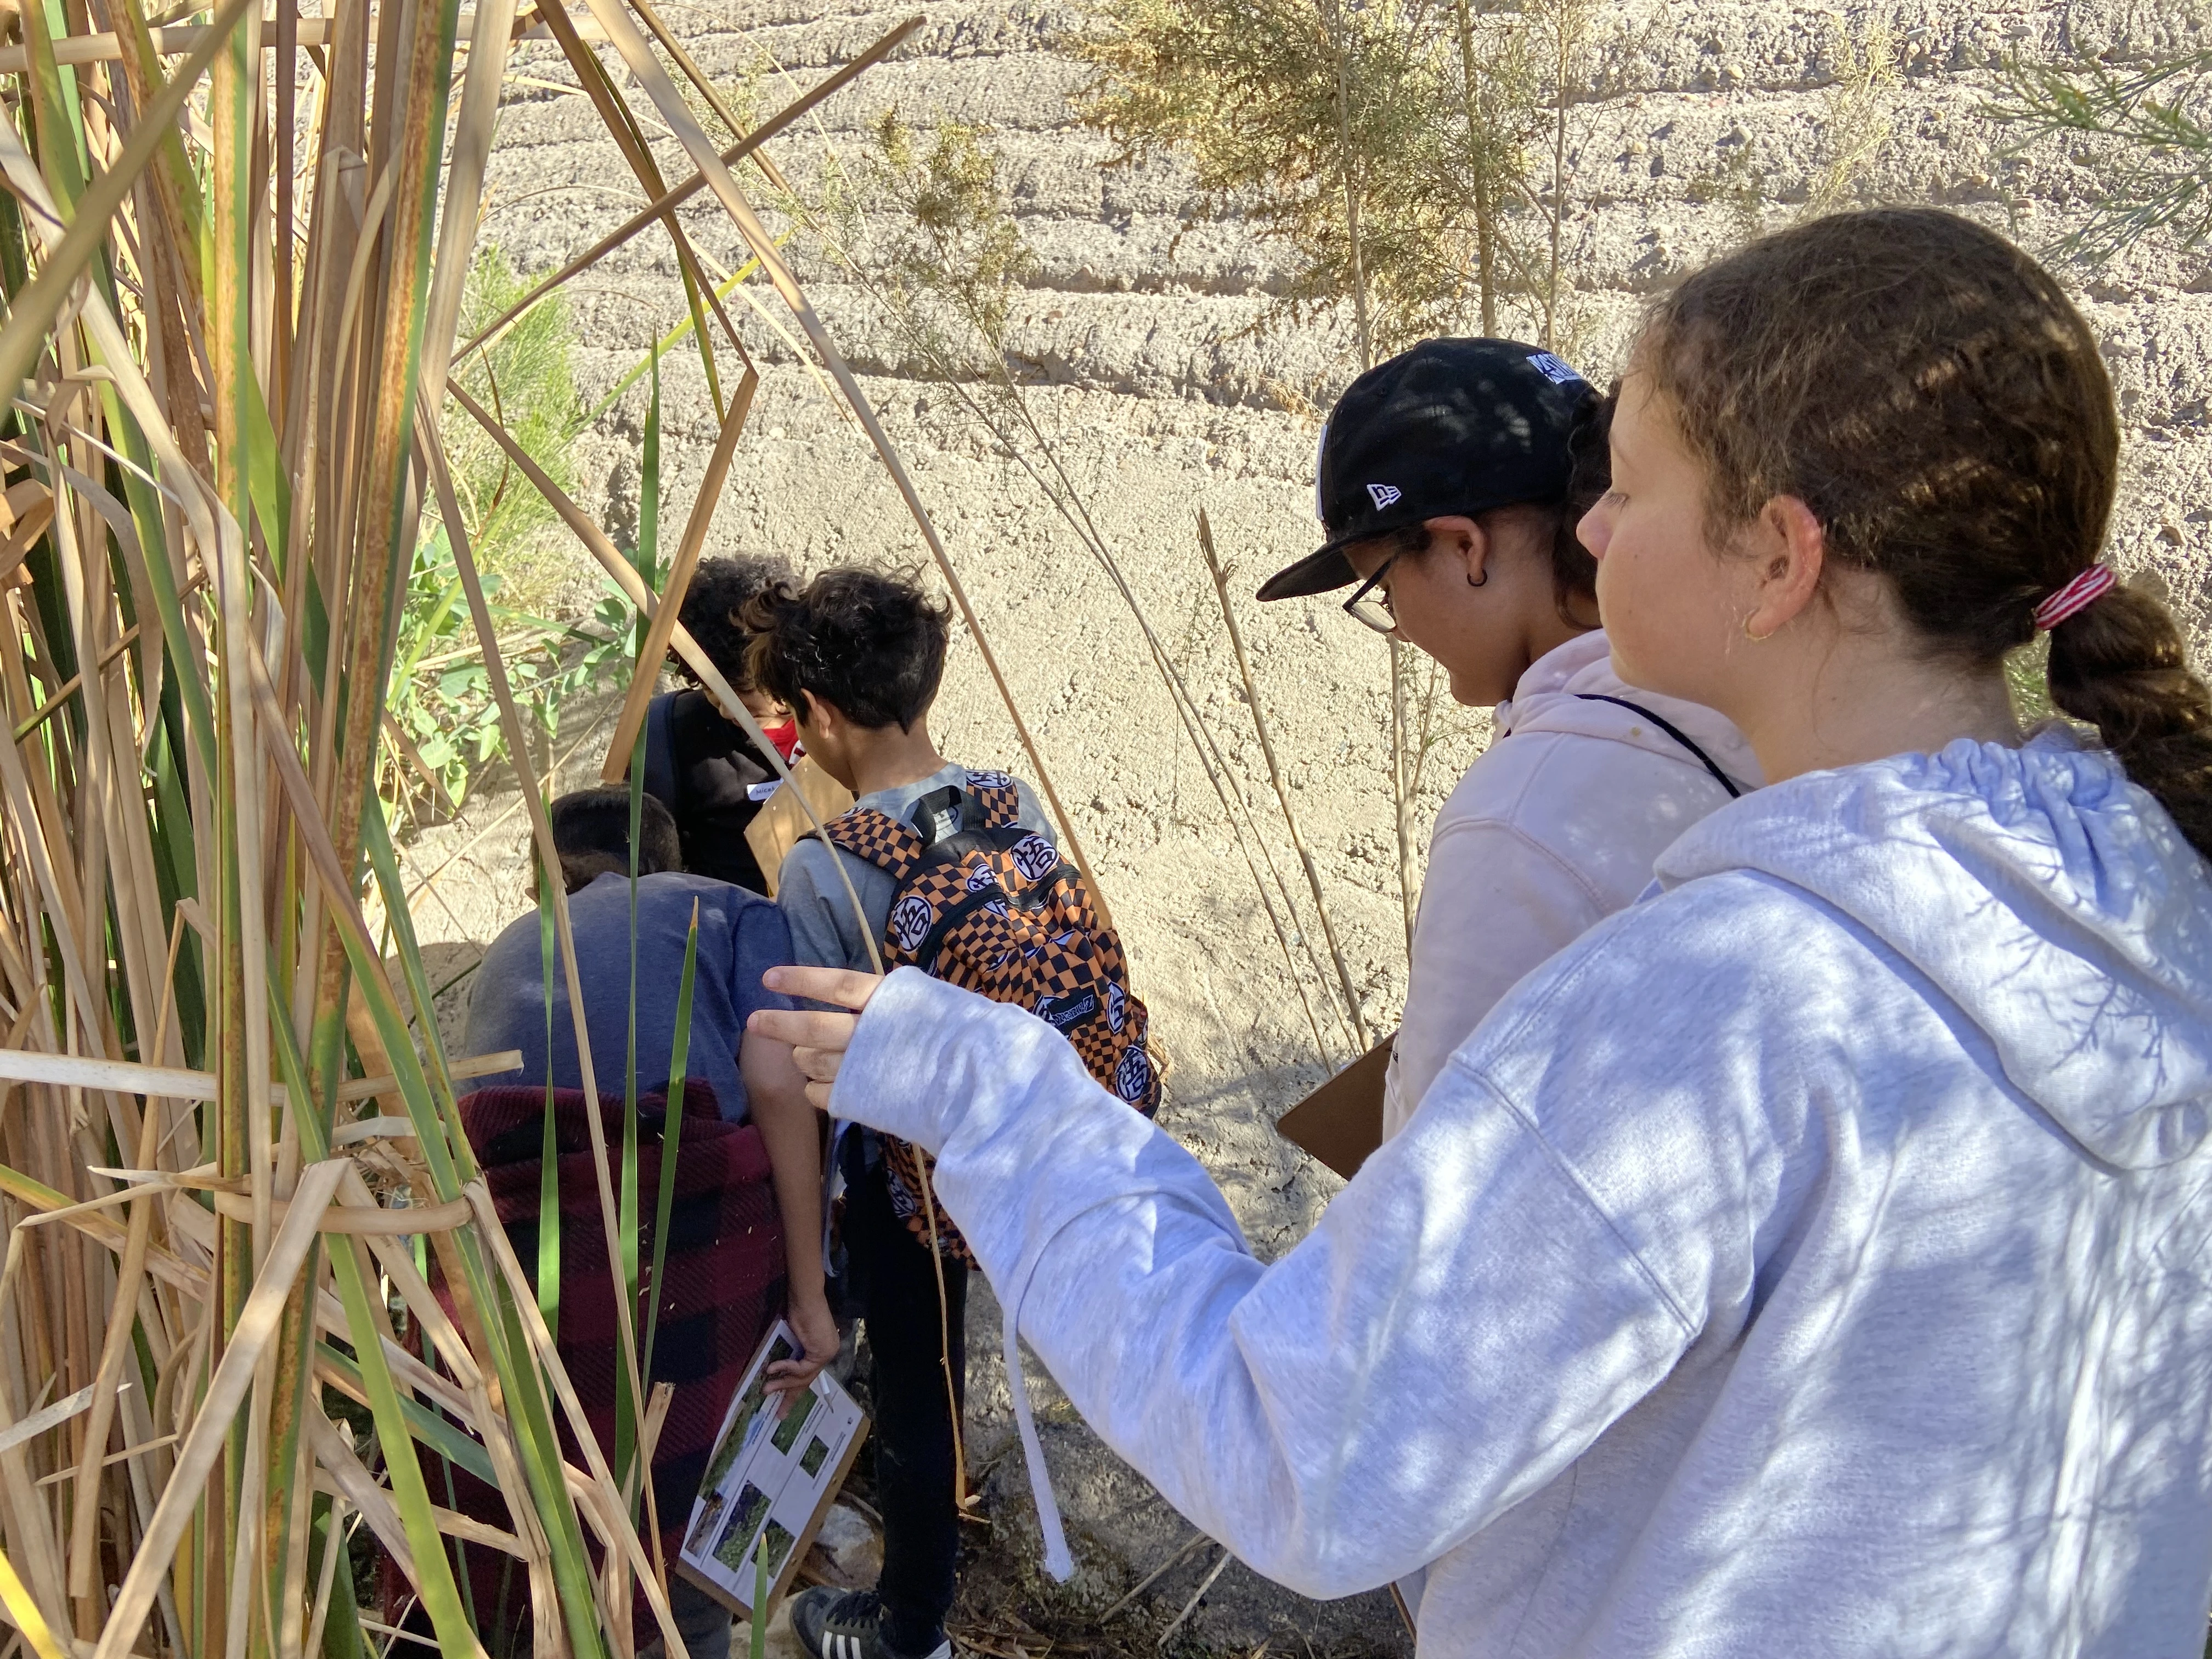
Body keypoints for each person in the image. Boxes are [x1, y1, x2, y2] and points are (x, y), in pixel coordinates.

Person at [753, 209, 2212, 1656]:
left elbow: (1307, 1450)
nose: (1586, 528)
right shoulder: (2160, 911)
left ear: (1779, 559)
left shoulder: (1724, 1006)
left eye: (1629, 490)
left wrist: (991, 1096)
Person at [1256, 338, 1758, 1139]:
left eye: (1380, 587)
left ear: (1464, 547)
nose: (1398, 627)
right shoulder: (1755, 695)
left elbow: (1428, 1209)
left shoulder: (1520, 821)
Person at [745, 567, 1059, 1659]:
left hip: (906, 1181)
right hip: (1020, 1141)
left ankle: (908, 1626)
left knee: (921, 1398)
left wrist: (807, 1257)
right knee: (933, 1370)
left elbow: (791, 1074)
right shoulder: (1014, 806)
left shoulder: (826, 870)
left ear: (821, 715)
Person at [458, 789, 836, 1659]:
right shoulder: (727, 906)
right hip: (680, 1256)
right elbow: (778, 1086)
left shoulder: (507, 952)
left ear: (542, 876)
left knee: (549, 1512)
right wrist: (811, 1292)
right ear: (665, 862)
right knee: (685, 1535)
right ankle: (688, 1632)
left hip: (523, 1267)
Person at [641, 554, 798, 891]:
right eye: (714, 693)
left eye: (743, 691)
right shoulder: (671, 738)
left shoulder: (842, 719)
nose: (730, 711)